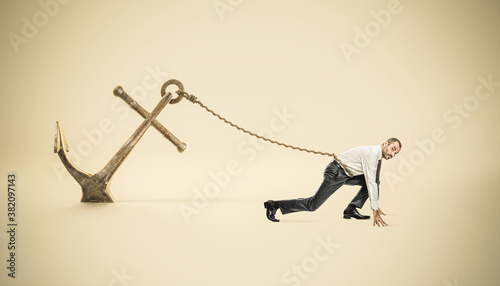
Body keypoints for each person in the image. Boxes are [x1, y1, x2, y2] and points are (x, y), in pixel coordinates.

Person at [264, 138, 402, 227]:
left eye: (396, 153)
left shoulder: (378, 156)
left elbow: (374, 182)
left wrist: (375, 204)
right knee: (313, 205)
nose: (393, 154)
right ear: (385, 144)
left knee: (373, 182)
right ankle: (274, 205)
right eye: (393, 149)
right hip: (336, 172)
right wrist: (375, 208)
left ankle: (351, 210)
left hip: (347, 174)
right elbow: (371, 181)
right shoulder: (372, 154)